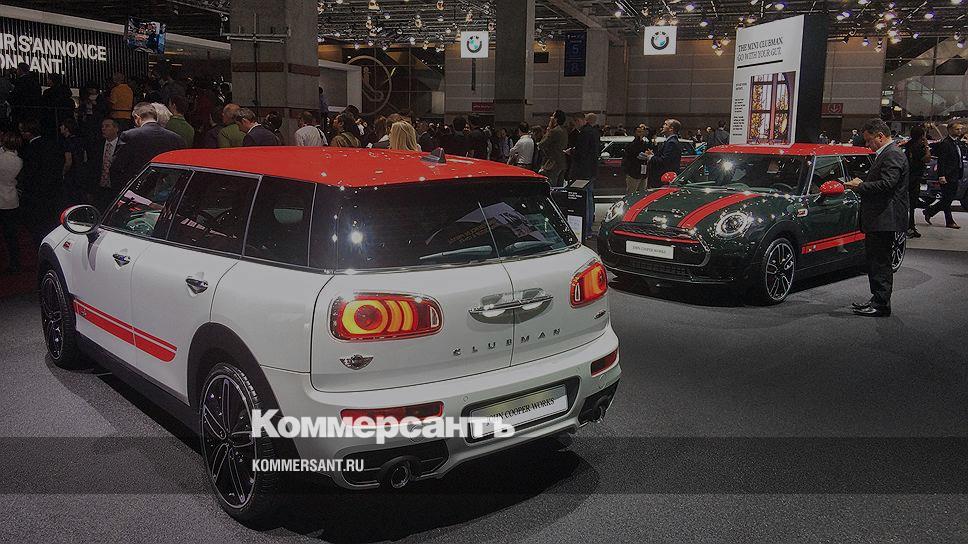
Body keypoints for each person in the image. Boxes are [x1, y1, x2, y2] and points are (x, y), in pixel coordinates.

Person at [845, 118, 909, 317]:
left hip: (884, 218)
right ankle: (877, 300)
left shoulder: (892, 154)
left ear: (880, 136)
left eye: (869, 140)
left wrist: (860, 186)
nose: (867, 144)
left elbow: (888, 184)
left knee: (880, 262)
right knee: (876, 261)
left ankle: (881, 304)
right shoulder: (889, 153)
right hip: (880, 218)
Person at [111, 103, 185, 187]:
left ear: (137, 118)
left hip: (135, 187)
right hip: (163, 188)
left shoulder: (129, 135)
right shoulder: (177, 139)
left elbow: (116, 166)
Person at [17, 119, 65, 244]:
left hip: (37, 194)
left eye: (22, 131)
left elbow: (30, 174)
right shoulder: (51, 144)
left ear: (28, 132)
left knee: (38, 226)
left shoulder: (30, 149)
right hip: (53, 190)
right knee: (50, 223)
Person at [923, 122, 965, 229]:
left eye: (960, 129)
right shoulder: (946, 143)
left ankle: (929, 211)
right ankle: (949, 221)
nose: (959, 131)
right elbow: (942, 161)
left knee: (948, 199)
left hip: (956, 174)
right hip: (947, 175)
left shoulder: (958, 143)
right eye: (957, 129)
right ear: (950, 130)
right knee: (947, 199)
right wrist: (941, 175)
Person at [569, 113, 602, 238]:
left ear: (578, 120)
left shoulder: (584, 133)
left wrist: (572, 151)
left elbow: (581, 153)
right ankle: (588, 228)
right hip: (591, 171)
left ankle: (585, 229)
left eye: (575, 122)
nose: (575, 125)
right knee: (589, 200)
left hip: (582, 172)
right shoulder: (594, 132)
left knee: (583, 201)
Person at [901, 125, 931, 238]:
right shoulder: (919, 147)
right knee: (912, 204)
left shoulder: (908, 145)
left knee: (909, 204)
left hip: (907, 177)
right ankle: (910, 226)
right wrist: (927, 146)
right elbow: (927, 158)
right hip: (914, 178)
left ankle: (910, 226)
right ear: (922, 136)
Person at [87, 118, 122, 212]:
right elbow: (92, 168)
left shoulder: (122, 146)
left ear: (116, 128)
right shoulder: (97, 145)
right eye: (102, 126)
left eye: (107, 126)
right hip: (99, 187)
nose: (103, 128)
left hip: (115, 187)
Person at [0, 131, 23, 274]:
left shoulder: (1, 158)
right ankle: (15, 262)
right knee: (11, 235)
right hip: (11, 199)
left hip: (1, 197)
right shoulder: (18, 161)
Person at [645, 118, 682, 188]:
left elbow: (664, 161)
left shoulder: (671, 143)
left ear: (671, 129)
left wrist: (650, 157)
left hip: (664, 179)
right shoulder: (670, 141)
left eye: (665, 124)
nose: (663, 126)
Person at [59, 118, 87, 206]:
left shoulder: (67, 142)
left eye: (62, 126)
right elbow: (85, 157)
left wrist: (63, 172)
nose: (60, 127)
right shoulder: (79, 140)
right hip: (80, 172)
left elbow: (68, 161)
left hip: (71, 175)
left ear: (67, 128)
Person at [538, 110, 568, 186]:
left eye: (553, 116)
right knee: (559, 187)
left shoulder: (554, 131)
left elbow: (541, 144)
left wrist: (548, 128)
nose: (551, 118)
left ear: (556, 119)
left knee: (551, 186)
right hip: (562, 162)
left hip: (552, 163)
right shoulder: (564, 130)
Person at [623, 125, 649, 195]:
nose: (641, 134)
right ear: (634, 133)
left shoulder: (646, 144)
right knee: (631, 192)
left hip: (644, 172)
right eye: (639, 132)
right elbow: (628, 158)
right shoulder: (630, 145)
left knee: (643, 193)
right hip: (633, 173)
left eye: (642, 132)